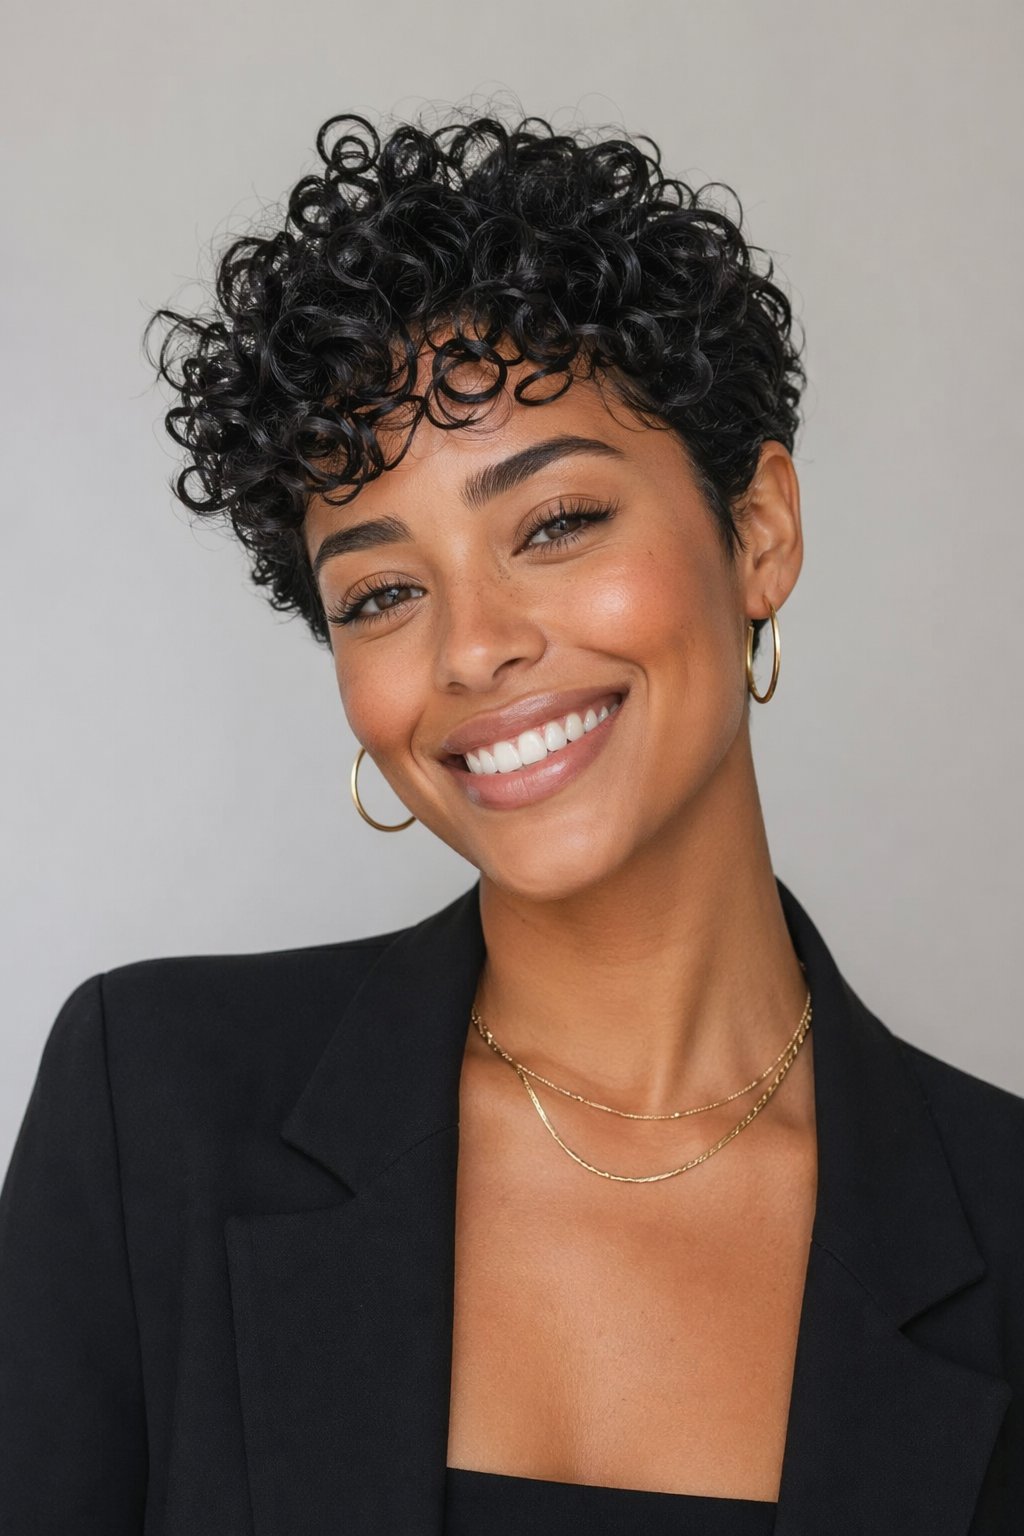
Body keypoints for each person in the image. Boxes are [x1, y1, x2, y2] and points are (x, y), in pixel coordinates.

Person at [0, 107, 1021, 1536]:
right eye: (382, 593)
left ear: (760, 534)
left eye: (555, 524)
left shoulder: (1004, 1228)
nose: (472, 650)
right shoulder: (149, 1115)